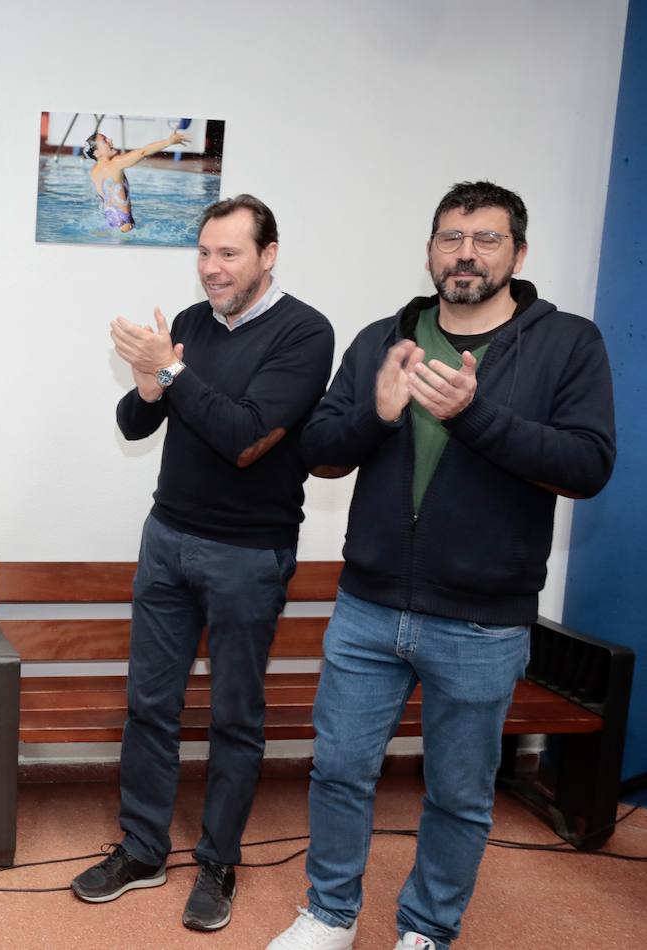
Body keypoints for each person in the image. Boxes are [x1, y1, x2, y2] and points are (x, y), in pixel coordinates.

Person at [267, 182, 616, 950]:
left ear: (518, 254)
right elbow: (319, 455)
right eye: (451, 237)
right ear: (430, 250)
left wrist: (473, 414)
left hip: (483, 621)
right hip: (367, 607)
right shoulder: (380, 339)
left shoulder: (567, 344)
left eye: (485, 239)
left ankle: (426, 929)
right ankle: (330, 913)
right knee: (338, 773)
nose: (465, 253)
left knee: (457, 795)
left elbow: (588, 465)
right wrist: (377, 414)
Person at [72, 195, 334, 933]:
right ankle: (143, 848)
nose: (212, 269)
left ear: (268, 254)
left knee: (234, 715)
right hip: (168, 538)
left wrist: (173, 375)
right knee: (149, 703)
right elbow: (135, 421)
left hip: (249, 554)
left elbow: (247, 439)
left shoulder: (305, 334)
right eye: (204, 253)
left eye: (229, 254)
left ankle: (218, 862)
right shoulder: (186, 327)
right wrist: (153, 378)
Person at [83, 128, 191, 232]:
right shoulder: (115, 163)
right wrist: (169, 141)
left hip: (110, 224)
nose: (110, 140)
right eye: (104, 141)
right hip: (125, 226)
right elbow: (143, 152)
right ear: (97, 153)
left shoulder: (94, 171)